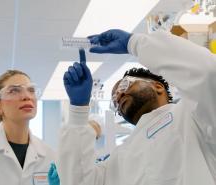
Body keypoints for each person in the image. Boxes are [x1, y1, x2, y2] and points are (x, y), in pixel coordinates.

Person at [58, 29, 216, 185]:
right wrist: (78, 111)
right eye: (114, 100)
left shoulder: (193, 115)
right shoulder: (119, 158)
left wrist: (134, 43)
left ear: (158, 86)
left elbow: (209, 73)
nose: (118, 96)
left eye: (125, 85)